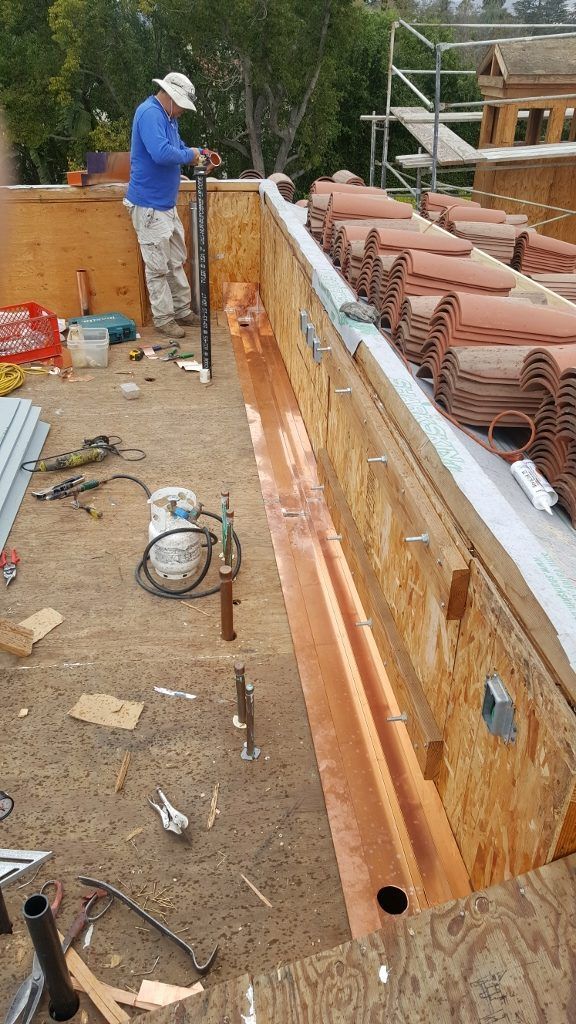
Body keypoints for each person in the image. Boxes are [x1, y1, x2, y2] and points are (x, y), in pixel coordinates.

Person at [125, 72, 207, 339]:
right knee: (158, 267)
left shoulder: (169, 117)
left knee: (175, 260)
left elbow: (177, 146)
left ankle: (182, 311)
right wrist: (189, 156)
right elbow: (161, 153)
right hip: (149, 206)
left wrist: (193, 152)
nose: (183, 110)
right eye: (181, 104)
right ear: (170, 97)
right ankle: (163, 319)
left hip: (165, 204)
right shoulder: (150, 113)